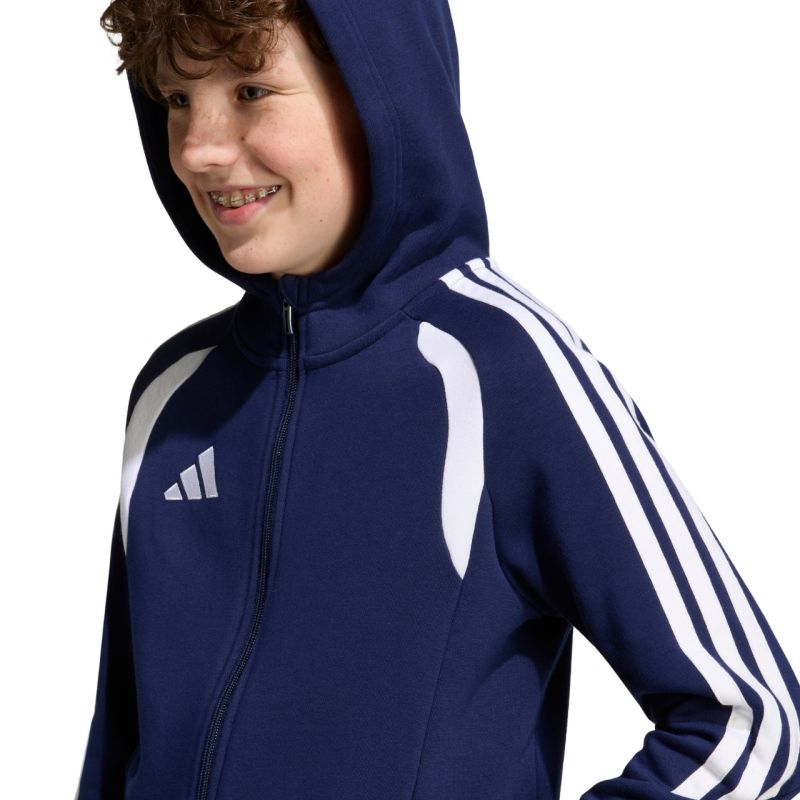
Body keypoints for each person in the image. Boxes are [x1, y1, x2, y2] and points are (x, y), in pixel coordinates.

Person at [75, 1, 800, 798]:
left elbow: (751, 724)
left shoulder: (497, 368)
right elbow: (119, 748)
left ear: (379, 93)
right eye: (178, 99)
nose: (199, 149)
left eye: (251, 91)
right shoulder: (176, 391)